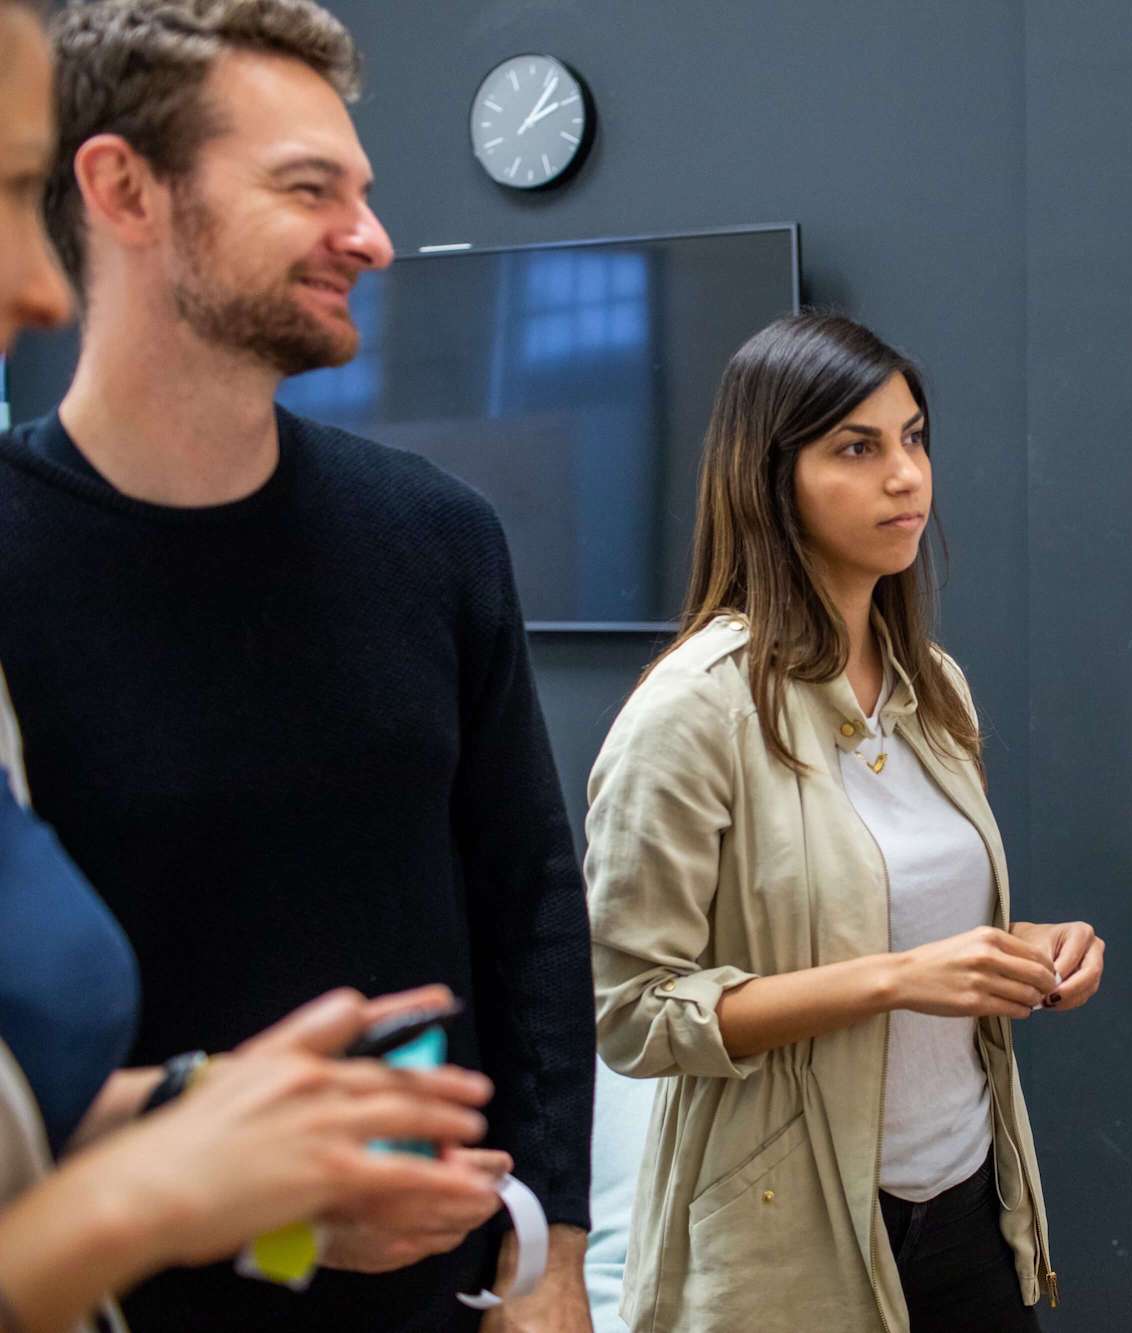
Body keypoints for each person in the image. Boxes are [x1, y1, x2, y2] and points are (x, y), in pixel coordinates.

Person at [0, 2, 596, 1328]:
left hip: (436, 1293)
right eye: (307, 189)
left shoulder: (436, 538)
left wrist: (552, 1245)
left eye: (363, 192)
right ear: (122, 189)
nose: (373, 240)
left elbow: (531, 902)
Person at [587, 312, 1105, 1332]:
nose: (905, 476)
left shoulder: (933, 687)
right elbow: (634, 1014)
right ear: (767, 474)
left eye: (912, 438)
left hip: (968, 1203)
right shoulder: (692, 709)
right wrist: (895, 980)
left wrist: (1022, 951)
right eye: (855, 448)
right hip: (791, 1230)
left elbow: (902, 906)